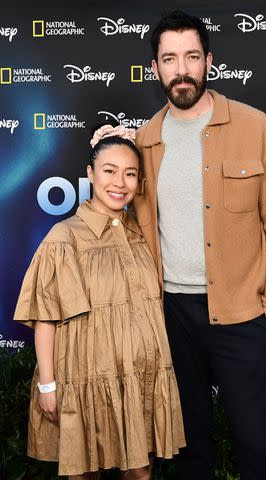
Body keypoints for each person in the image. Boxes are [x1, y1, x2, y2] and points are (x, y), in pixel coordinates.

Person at [133, 10, 266, 480]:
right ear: (156, 69)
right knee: (187, 451)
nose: (181, 69)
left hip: (246, 316)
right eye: (169, 58)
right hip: (172, 320)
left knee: (255, 447)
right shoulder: (144, 140)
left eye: (191, 56)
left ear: (209, 61)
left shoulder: (257, 128)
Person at [13, 123, 185, 480]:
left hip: (139, 379)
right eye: (109, 171)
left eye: (130, 174)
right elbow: (46, 319)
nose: (119, 183)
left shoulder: (141, 233)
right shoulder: (64, 238)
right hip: (85, 377)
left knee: (141, 470)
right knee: (84, 470)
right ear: (90, 173)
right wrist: (48, 385)